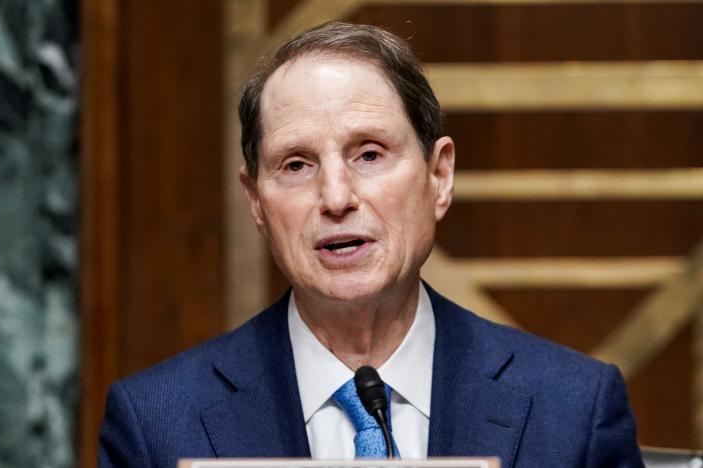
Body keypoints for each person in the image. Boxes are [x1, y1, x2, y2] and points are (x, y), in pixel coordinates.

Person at [99, 21, 644, 468]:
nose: (336, 197)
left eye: (369, 155)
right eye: (296, 165)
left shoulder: (573, 410)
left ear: (440, 176)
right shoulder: (155, 425)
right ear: (256, 201)